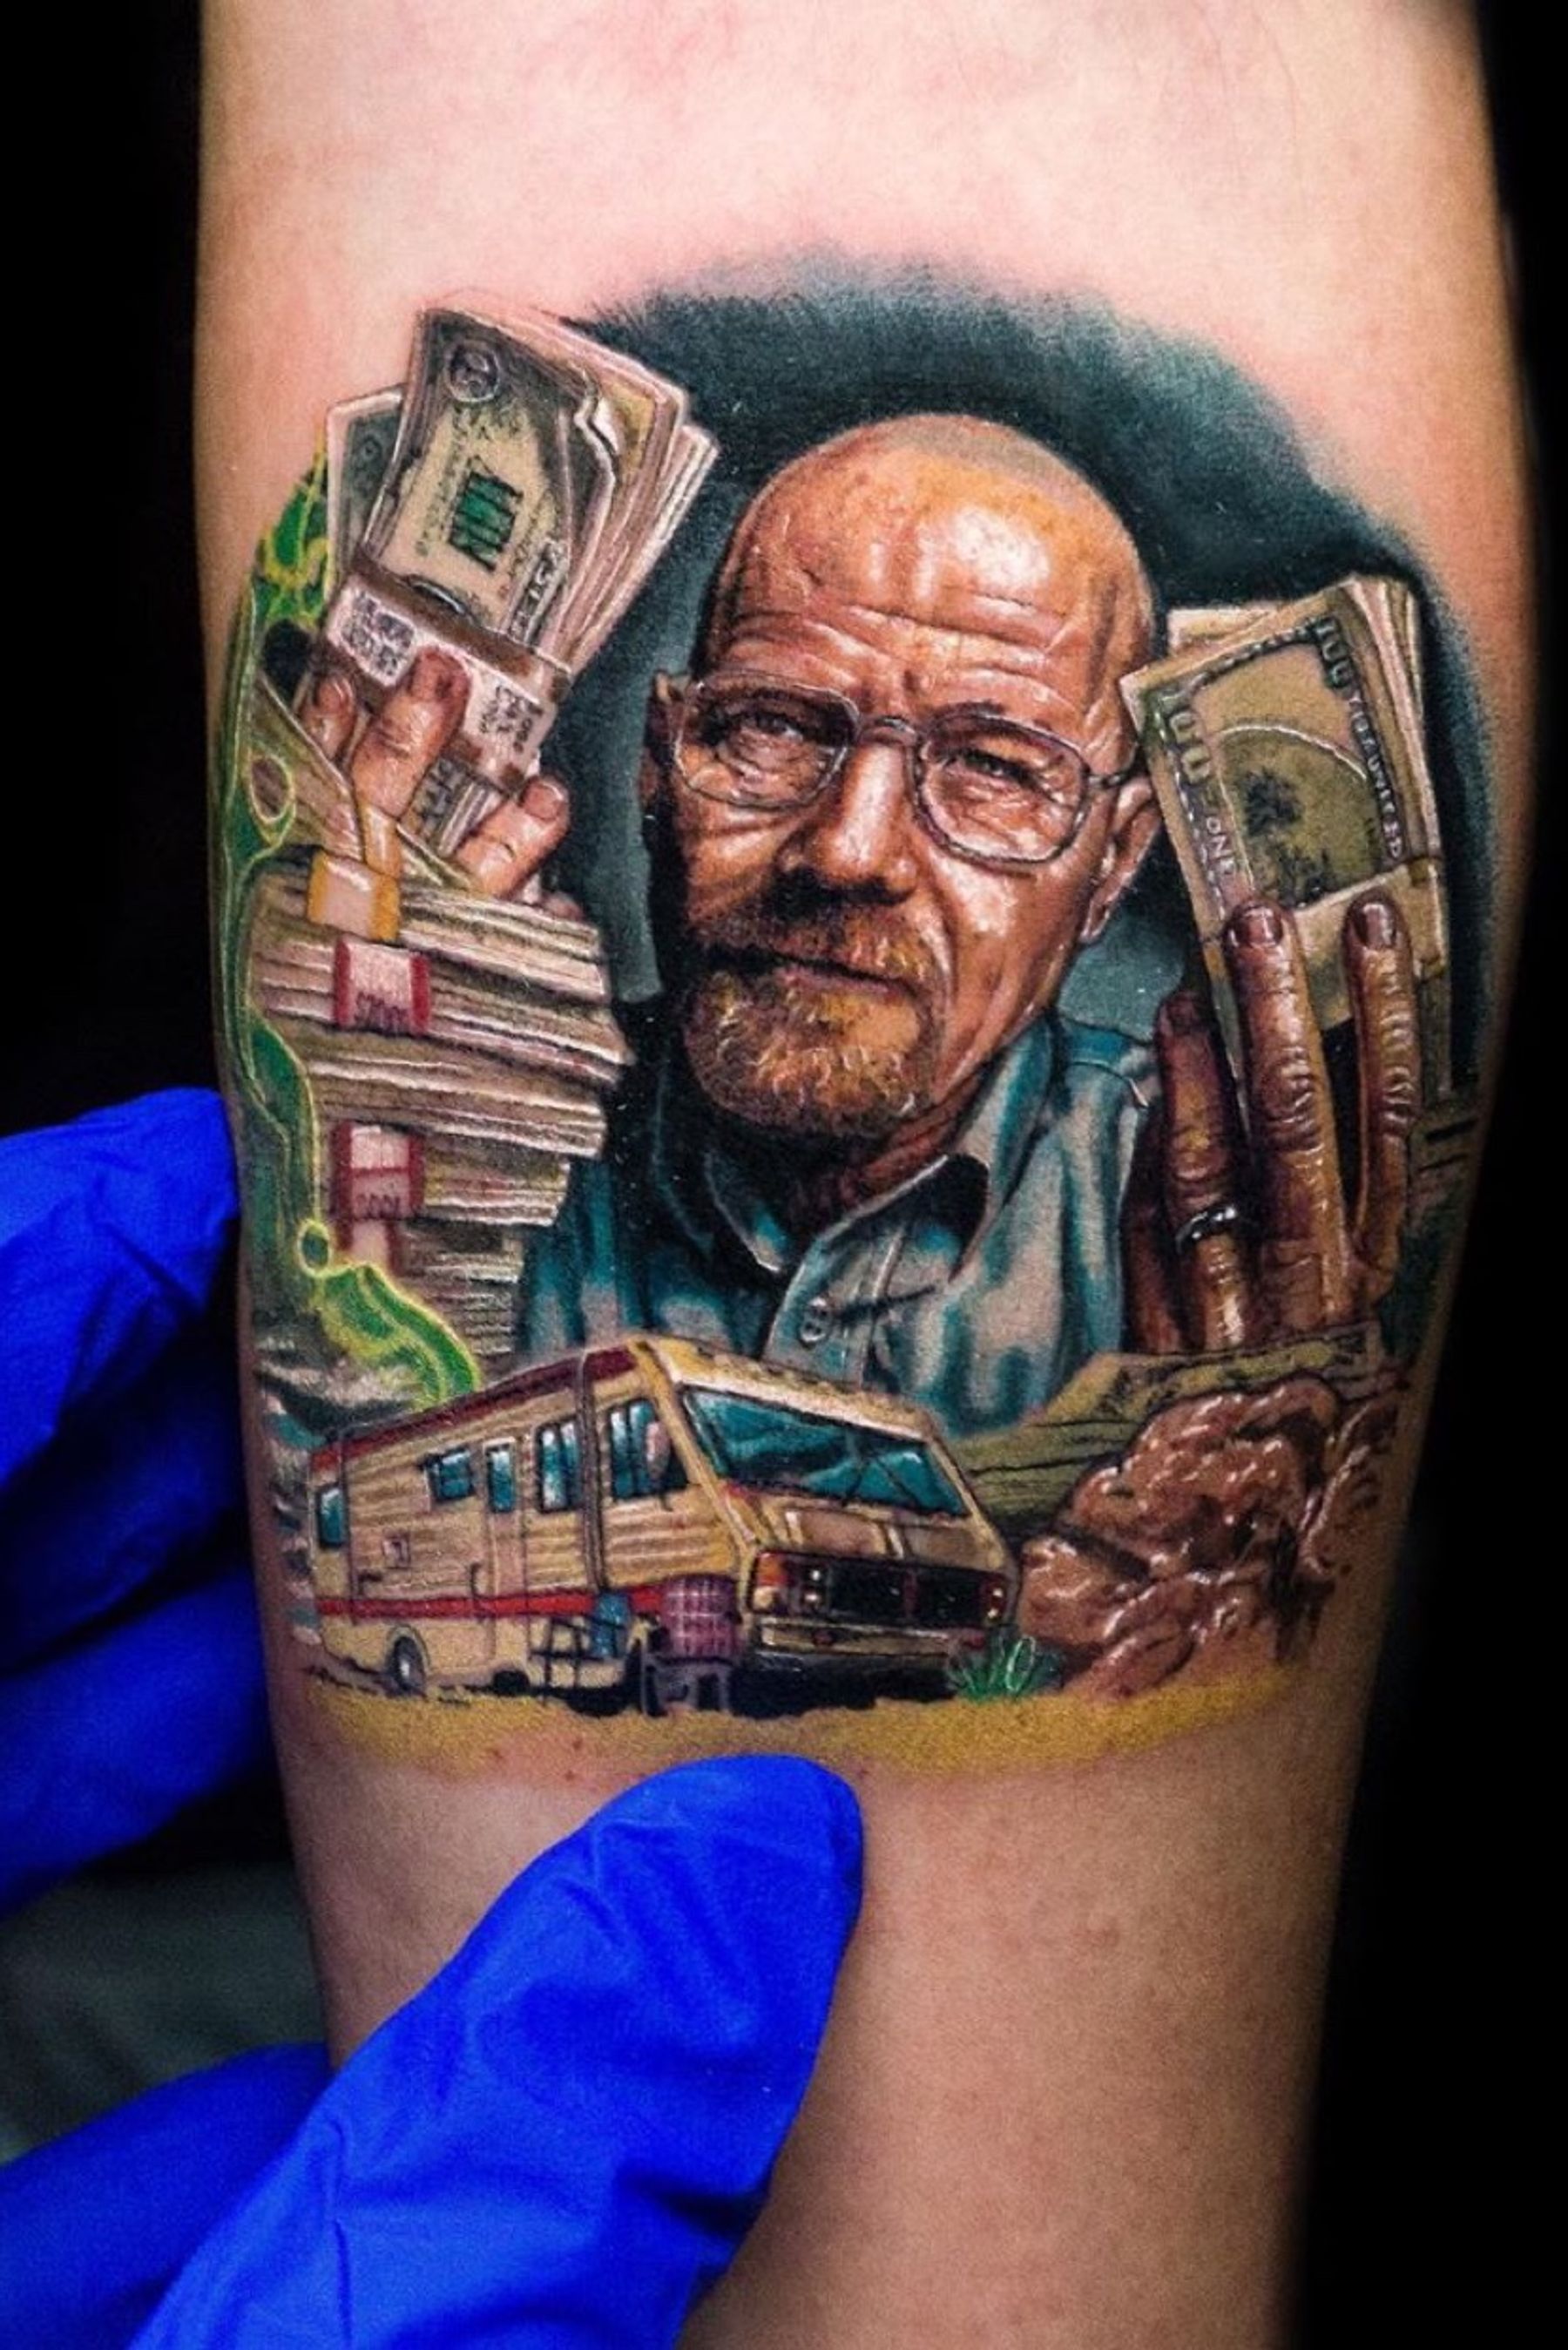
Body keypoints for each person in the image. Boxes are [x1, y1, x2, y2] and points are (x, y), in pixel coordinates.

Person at [302, 411, 1423, 1436]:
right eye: (773, 728)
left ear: (1113, 865)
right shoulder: (452, 1126)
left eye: (994, 767)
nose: (847, 851)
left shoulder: (1238, 1221)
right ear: (658, 768)